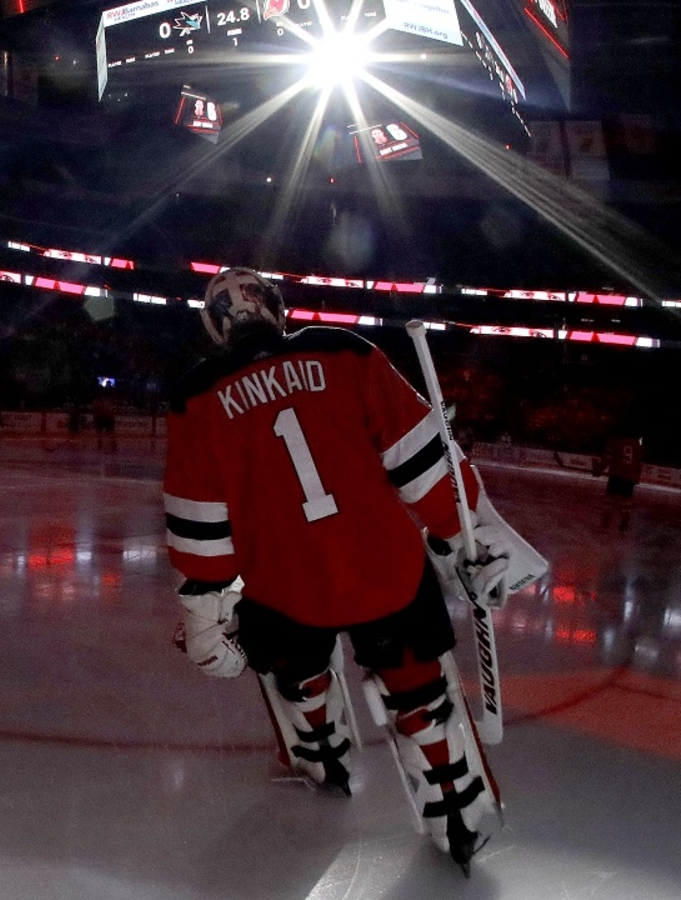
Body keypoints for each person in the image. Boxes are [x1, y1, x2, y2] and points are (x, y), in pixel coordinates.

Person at [164, 268, 533, 873]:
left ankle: (321, 755)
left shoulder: (195, 397)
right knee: (417, 688)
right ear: (277, 309)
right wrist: (462, 534)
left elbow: (203, 528)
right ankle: (454, 810)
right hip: (385, 571)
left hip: (284, 585)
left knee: (298, 674)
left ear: (215, 326)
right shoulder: (343, 349)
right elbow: (423, 466)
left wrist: (207, 606)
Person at [600, 433, 642, 532]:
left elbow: (607, 458)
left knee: (609, 498)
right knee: (626, 501)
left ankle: (606, 523)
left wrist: (599, 469)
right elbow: (639, 462)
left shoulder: (615, 440)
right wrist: (637, 475)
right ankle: (624, 524)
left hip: (616, 474)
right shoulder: (637, 443)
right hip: (630, 476)